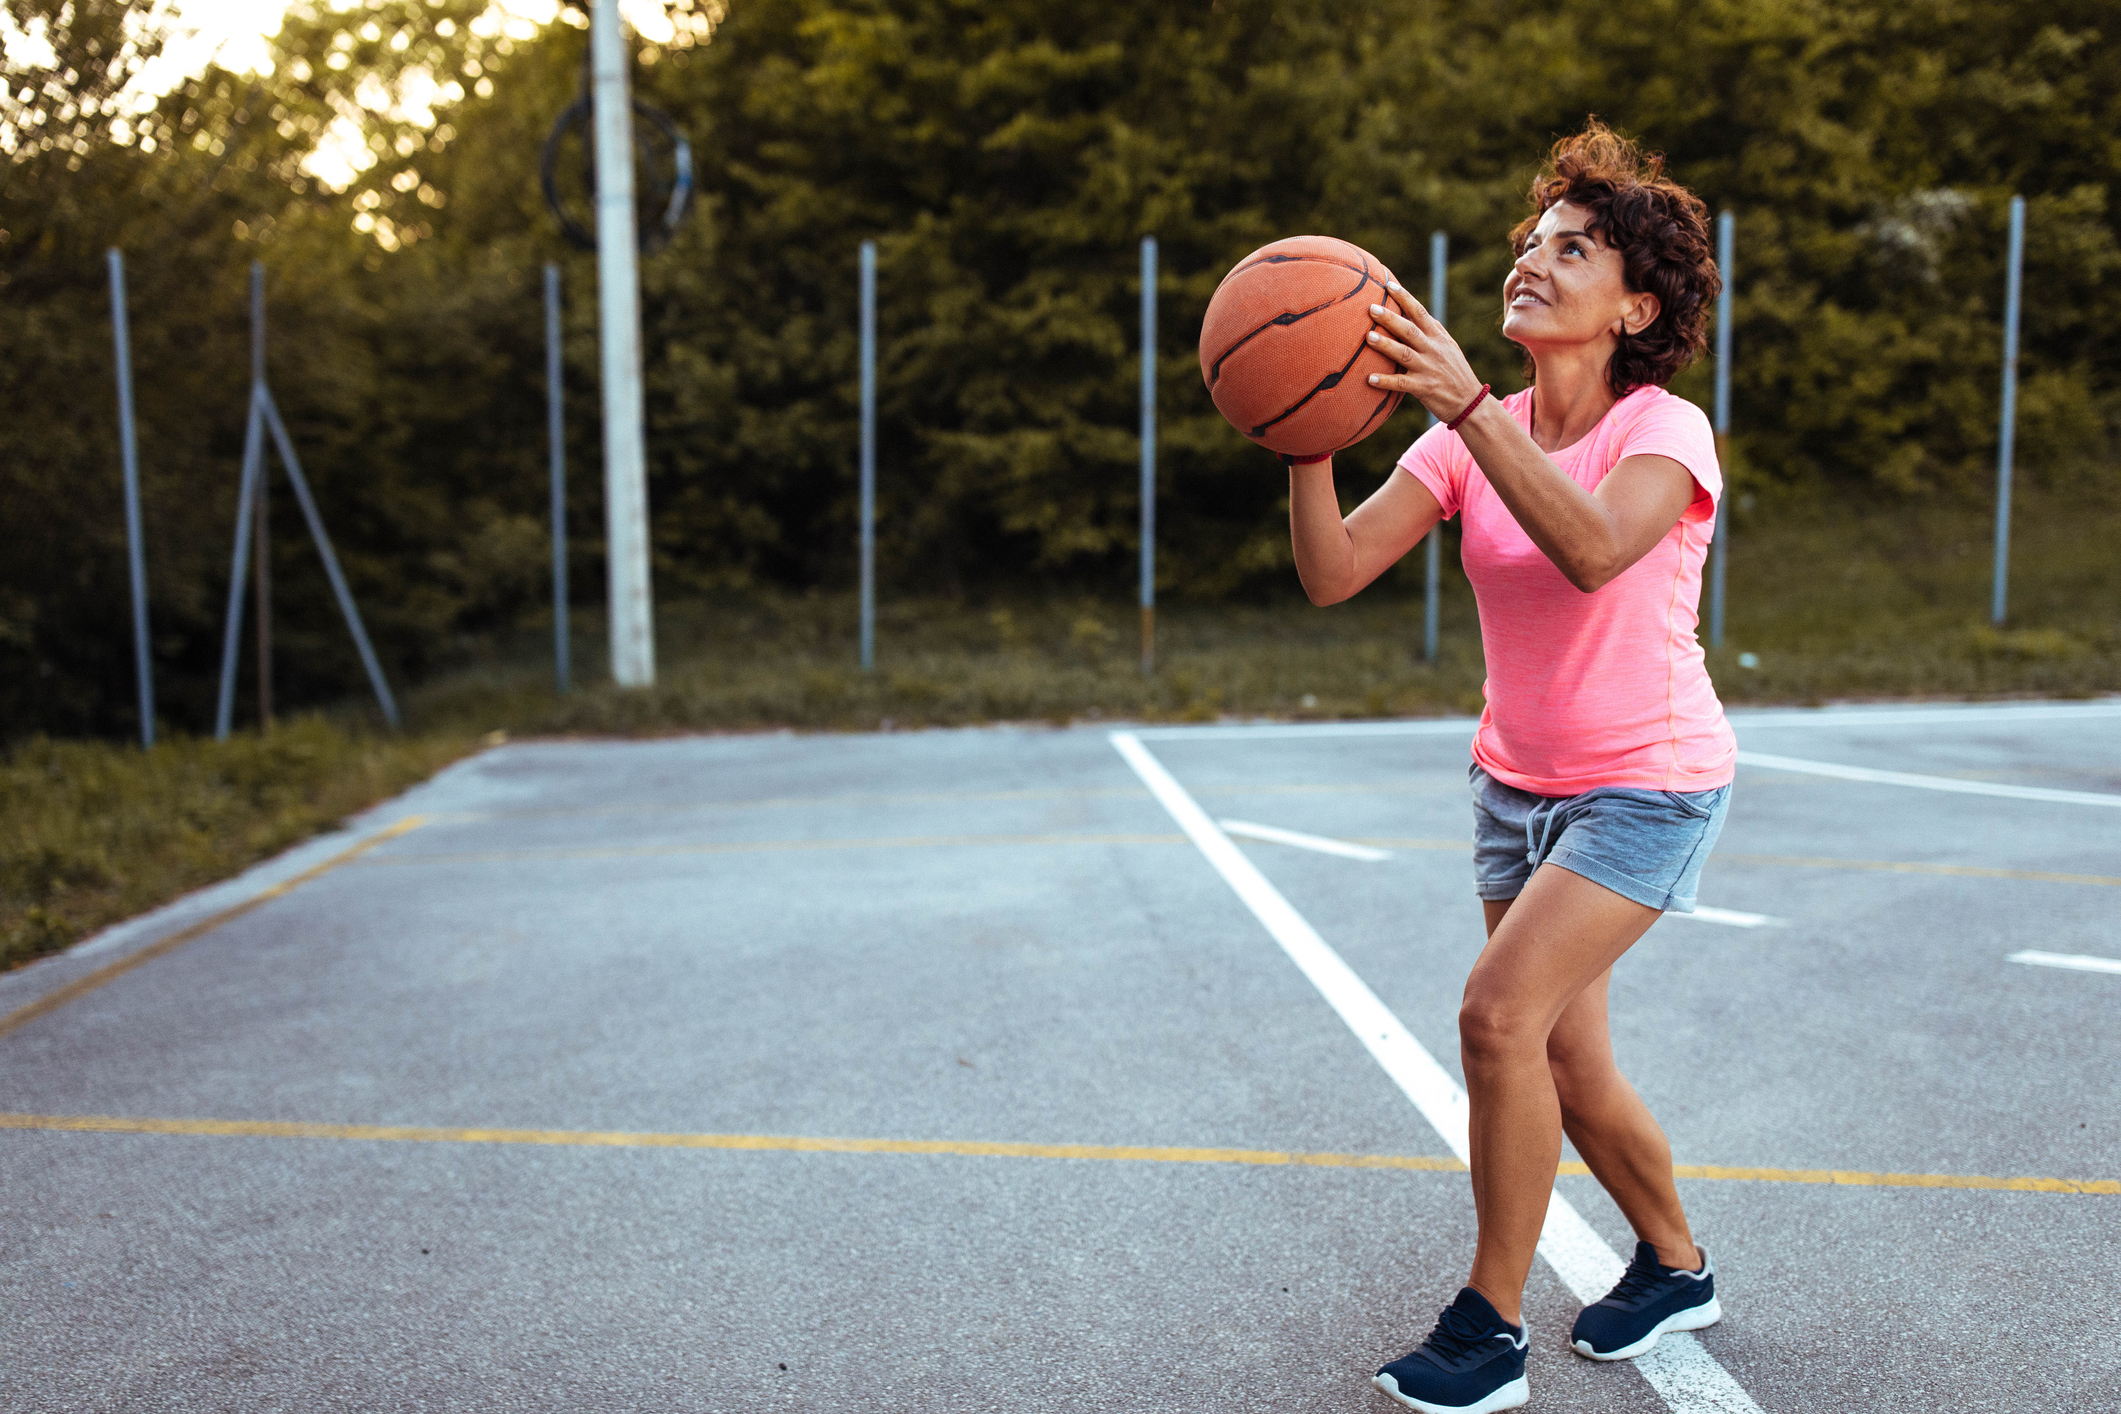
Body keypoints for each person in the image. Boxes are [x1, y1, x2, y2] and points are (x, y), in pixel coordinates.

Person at [1283, 121, 1735, 1414]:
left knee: (1493, 1017)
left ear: (1633, 304)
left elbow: (1594, 547)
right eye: (1532, 240)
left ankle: (1486, 1326)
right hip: (1513, 782)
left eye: (1573, 247)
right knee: (1565, 1063)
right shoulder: (1463, 436)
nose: (1533, 260)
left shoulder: (1666, 430)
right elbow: (1331, 572)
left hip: (1647, 780)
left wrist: (1468, 408)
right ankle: (1674, 1262)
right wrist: (1303, 427)